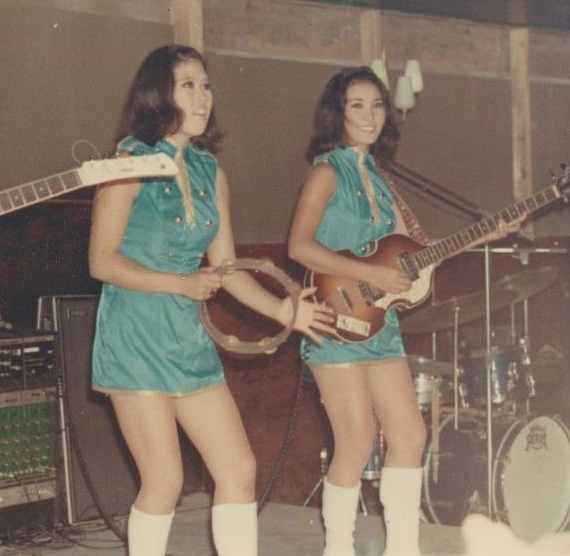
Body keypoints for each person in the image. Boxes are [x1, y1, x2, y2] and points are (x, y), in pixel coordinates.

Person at [89, 44, 336, 556]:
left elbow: (225, 271)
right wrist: (180, 284)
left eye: (206, 85)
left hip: (187, 335)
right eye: (188, 85)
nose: (203, 97)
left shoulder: (210, 173)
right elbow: (103, 262)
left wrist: (284, 309)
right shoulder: (126, 163)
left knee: (238, 469)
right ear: (159, 94)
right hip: (134, 335)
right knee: (164, 482)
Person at [287, 66, 525, 556]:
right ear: (338, 112)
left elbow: (419, 251)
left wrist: (488, 232)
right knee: (354, 444)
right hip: (334, 319)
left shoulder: (379, 177)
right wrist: (374, 277)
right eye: (357, 105)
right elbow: (299, 248)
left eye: (377, 105)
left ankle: (403, 548)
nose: (370, 115)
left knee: (409, 435)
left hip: (380, 324)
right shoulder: (326, 171)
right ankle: (339, 549)